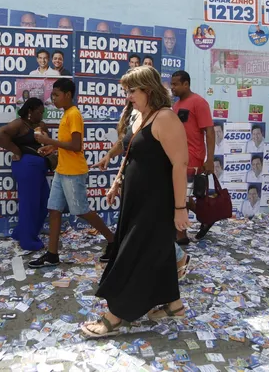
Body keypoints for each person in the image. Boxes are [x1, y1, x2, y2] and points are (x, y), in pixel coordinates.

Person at [81, 65, 191, 338]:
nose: (128, 96)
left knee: (133, 254)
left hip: (156, 202)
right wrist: (118, 181)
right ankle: (174, 305)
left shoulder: (165, 118)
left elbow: (180, 164)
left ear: (148, 89)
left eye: (132, 91)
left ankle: (116, 315)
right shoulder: (142, 116)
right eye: (126, 91)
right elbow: (131, 153)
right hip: (136, 199)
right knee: (158, 251)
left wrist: (180, 208)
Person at [28, 78, 115, 267]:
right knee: (54, 210)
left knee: (81, 211)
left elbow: (76, 146)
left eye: (57, 95)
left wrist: (49, 142)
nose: (53, 99)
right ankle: (52, 255)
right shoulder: (67, 113)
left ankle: (113, 240)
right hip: (62, 169)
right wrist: (53, 149)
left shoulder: (73, 114)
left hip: (73, 172)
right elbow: (68, 145)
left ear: (68, 95)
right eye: (53, 95)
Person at [0, 98, 51, 251]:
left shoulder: (41, 125)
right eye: (39, 112)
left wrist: (44, 134)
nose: (41, 115)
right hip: (26, 167)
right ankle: (28, 241)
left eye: (42, 112)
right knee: (29, 204)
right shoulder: (19, 124)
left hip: (39, 168)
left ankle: (21, 232)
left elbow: (50, 144)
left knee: (44, 202)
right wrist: (16, 150)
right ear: (30, 111)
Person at [169, 70, 215, 245]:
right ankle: (205, 218)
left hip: (193, 158)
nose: (172, 87)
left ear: (186, 84)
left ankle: (181, 235)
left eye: (175, 84)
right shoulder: (176, 105)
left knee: (181, 197)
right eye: (171, 84)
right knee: (182, 196)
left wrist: (210, 159)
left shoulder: (199, 103)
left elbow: (210, 132)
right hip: (178, 158)